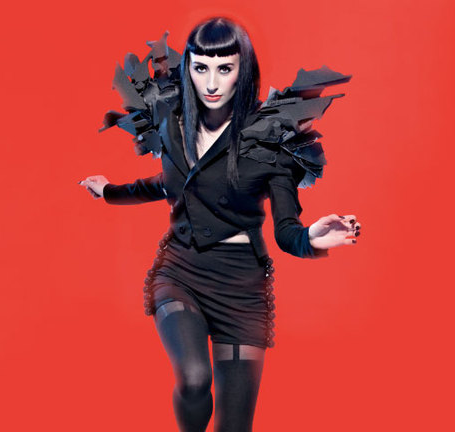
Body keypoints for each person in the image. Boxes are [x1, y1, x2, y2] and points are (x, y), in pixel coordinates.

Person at [79, 17, 361, 432]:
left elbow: (287, 231)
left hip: (242, 288)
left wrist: (312, 238)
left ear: (242, 71)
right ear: (188, 69)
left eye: (224, 69)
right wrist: (109, 192)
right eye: (201, 68)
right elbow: (167, 184)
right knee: (195, 379)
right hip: (182, 272)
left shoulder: (270, 137)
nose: (211, 83)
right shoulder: (172, 123)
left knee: (234, 426)